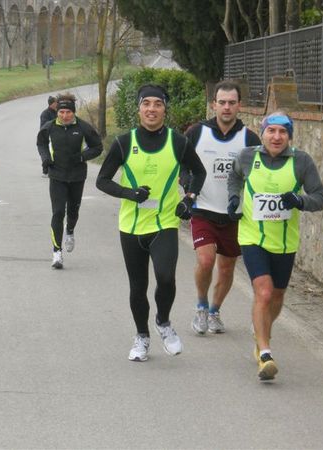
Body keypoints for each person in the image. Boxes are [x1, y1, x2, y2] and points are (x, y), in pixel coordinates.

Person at [96, 84, 206, 361]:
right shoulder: (124, 142)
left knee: (166, 277)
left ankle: (164, 323)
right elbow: (102, 180)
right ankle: (142, 336)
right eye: (147, 104)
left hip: (164, 223)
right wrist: (129, 194)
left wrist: (189, 199)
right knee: (138, 286)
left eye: (158, 104)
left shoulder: (178, 142)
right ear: (139, 109)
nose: (152, 109)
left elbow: (199, 171)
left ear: (164, 109)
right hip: (131, 226)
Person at [227, 112, 323, 381]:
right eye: (271, 131)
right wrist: (234, 200)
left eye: (283, 132)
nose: (276, 137)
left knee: (278, 296)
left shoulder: (301, 161)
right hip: (252, 237)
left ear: (289, 136)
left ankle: (261, 335)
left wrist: (299, 201)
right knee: (264, 292)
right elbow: (234, 177)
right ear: (263, 133)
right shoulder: (247, 157)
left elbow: (320, 198)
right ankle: (265, 354)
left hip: (284, 241)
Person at [185, 80, 261, 335]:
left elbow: (259, 175)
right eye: (222, 102)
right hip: (203, 209)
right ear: (213, 104)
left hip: (234, 215)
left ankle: (215, 311)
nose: (226, 107)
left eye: (231, 103)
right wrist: (188, 187)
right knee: (206, 261)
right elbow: (183, 165)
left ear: (239, 105)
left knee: (227, 268)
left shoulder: (249, 139)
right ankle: (201, 306)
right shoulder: (197, 133)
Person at [37, 93, 103, 269]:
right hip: (57, 175)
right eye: (61, 112)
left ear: (73, 112)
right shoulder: (49, 127)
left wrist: (82, 157)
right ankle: (57, 253)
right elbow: (41, 143)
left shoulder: (83, 127)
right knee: (58, 213)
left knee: (73, 211)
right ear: (57, 112)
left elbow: (98, 147)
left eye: (68, 112)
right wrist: (45, 158)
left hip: (76, 176)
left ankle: (71, 230)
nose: (64, 116)